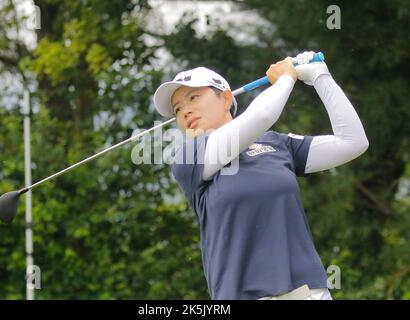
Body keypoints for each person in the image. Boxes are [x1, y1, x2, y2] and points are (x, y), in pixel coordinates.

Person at [153, 51, 369, 300]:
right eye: (178, 109)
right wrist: (286, 78)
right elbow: (262, 116)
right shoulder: (188, 159)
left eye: (194, 98)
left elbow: (353, 142)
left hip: (308, 293)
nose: (186, 112)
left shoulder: (277, 144)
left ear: (225, 99)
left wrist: (321, 77)